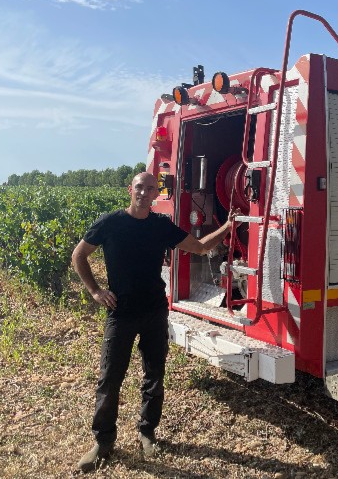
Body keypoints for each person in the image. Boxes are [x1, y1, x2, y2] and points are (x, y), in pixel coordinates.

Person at [72, 172, 238, 472]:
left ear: (155, 194)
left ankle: (147, 433)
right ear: (130, 190)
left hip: (154, 311)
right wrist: (96, 291)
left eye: (150, 189)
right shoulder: (110, 223)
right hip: (121, 313)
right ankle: (103, 441)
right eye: (139, 187)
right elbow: (79, 255)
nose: (144, 193)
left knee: (154, 375)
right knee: (110, 379)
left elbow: (199, 247)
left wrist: (227, 226)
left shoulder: (160, 226)